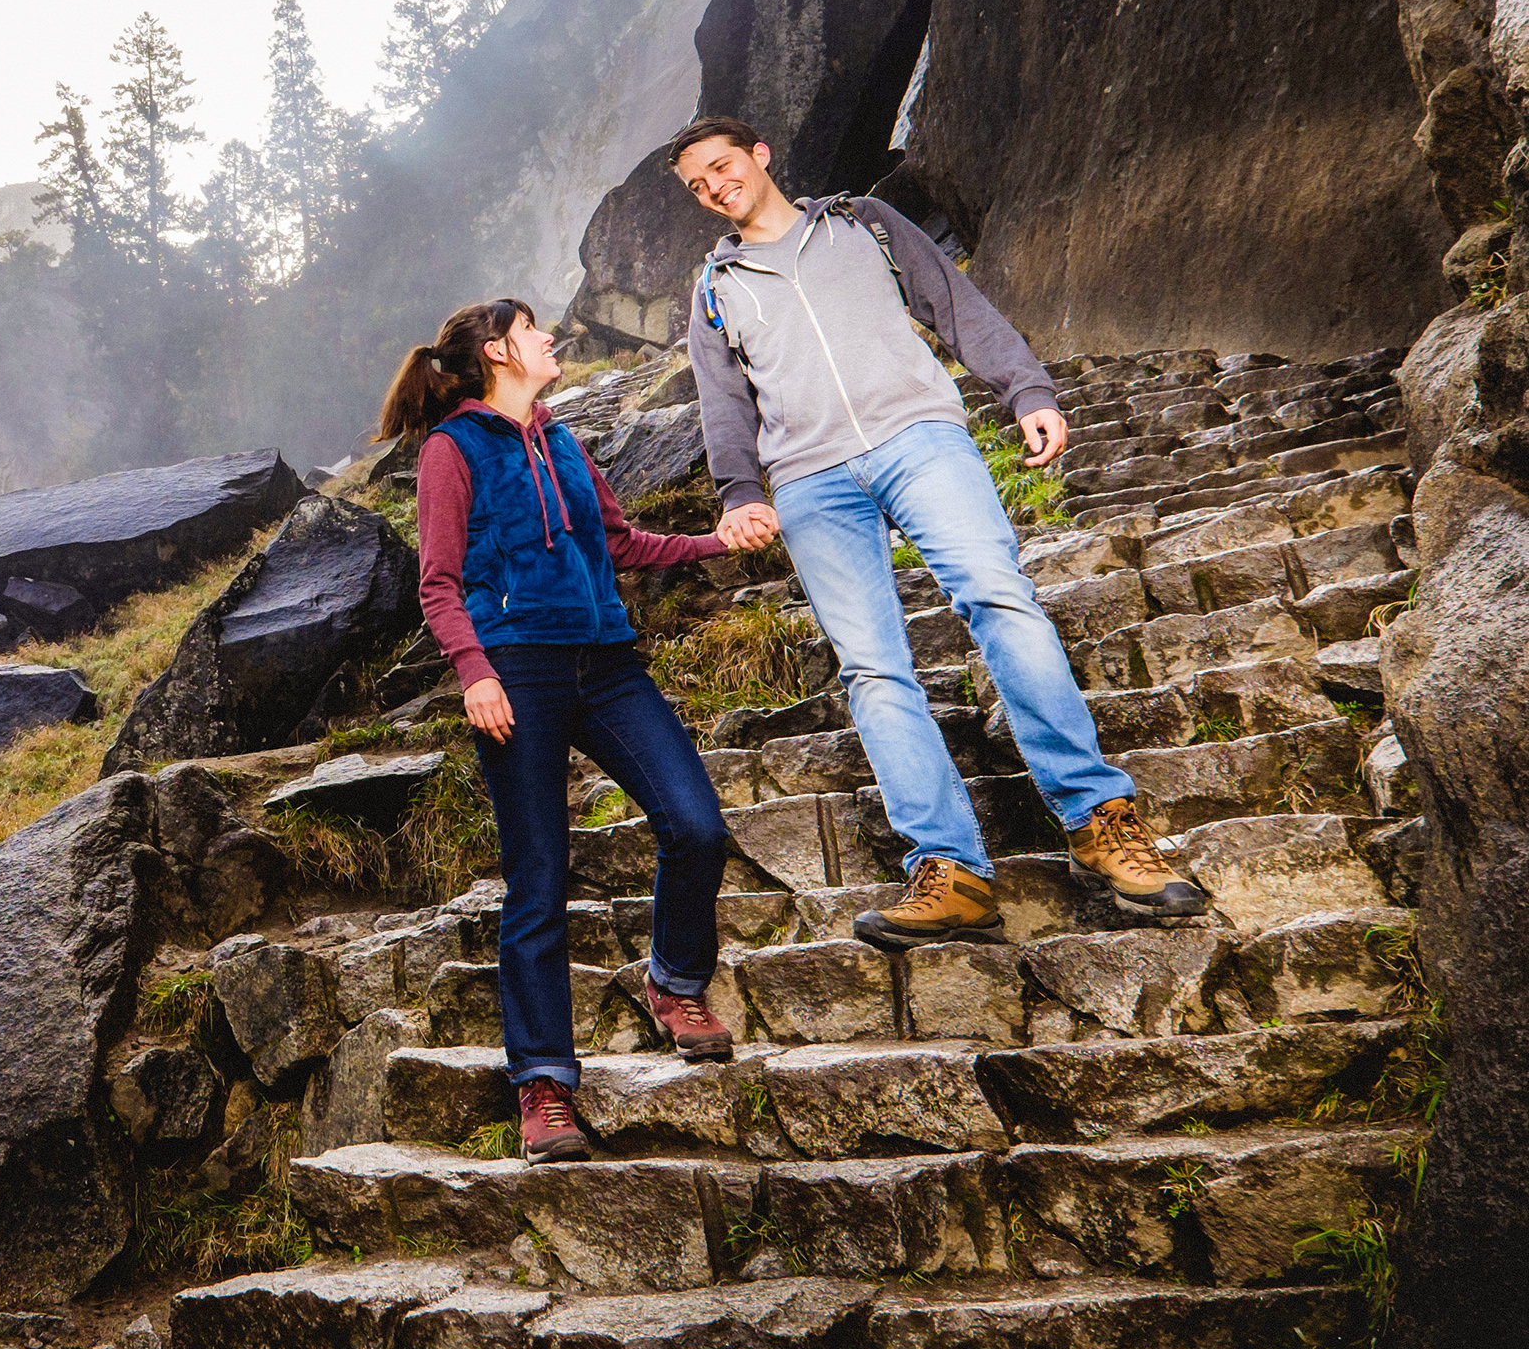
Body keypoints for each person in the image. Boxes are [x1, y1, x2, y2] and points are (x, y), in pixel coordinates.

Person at [667, 116, 1207, 949]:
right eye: (697, 185)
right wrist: (740, 490)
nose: (714, 187)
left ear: (759, 155)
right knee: (873, 670)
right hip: (810, 480)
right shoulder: (714, 288)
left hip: (920, 440)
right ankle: (949, 871)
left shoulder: (865, 226)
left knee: (999, 599)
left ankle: (1101, 823)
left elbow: (959, 307)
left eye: (721, 166)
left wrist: (1026, 389)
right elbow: (723, 402)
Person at [380, 297, 736, 1164]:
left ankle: (674, 982)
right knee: (537, 877)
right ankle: (543, 1086)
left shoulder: (566, 442)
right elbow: (438, 582)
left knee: (698, 827)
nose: (553, 339)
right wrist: (475, 672)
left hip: (608, 661)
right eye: (536, 329)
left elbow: (618, 544)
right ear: (499, 351)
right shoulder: (450, 450)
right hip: (518, 672)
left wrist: (715, 542)